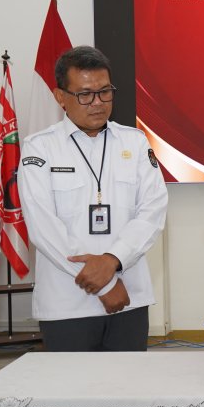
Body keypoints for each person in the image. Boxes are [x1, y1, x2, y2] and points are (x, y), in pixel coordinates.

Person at [18, 45, 167, 352]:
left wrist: (113, 260)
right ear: (61, 97)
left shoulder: (135, 142)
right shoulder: (39, 148)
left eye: (105, 92)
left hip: (129, 297)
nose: (97, 103)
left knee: (128, 383)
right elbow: (43, 227)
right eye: (85, 94)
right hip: (67, 303)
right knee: (72, 385)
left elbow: (152, 211)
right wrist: (106, 283)